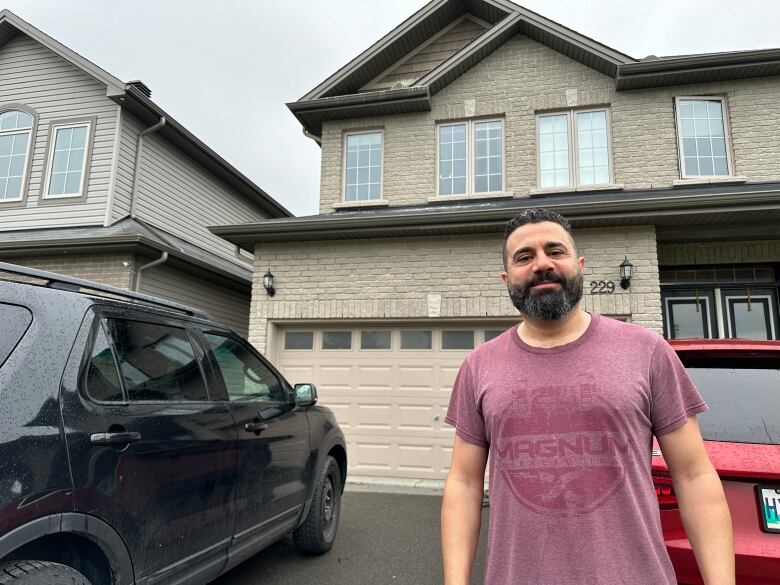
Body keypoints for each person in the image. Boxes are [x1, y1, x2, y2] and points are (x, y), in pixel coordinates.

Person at [441, 208, 734, 585]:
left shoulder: (646, 351)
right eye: (524, 257)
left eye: (555, 251)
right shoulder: (478, 366)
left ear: (579, 264)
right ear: (506, 277)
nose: (542, 264)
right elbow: (464, 483)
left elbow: (694, 475)